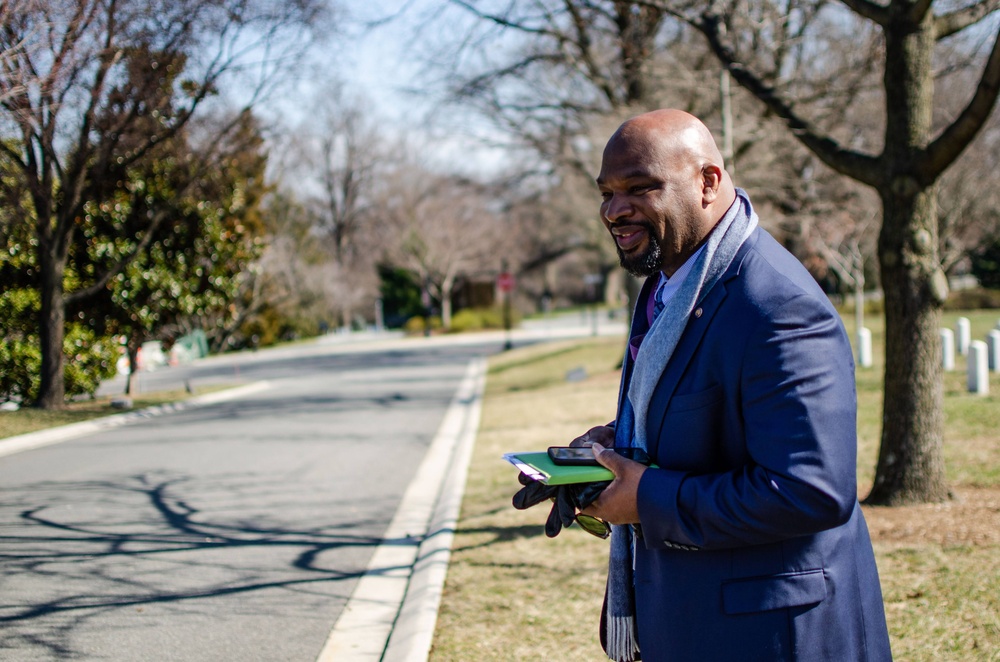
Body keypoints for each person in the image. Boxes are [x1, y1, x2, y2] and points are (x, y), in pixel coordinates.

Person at [572, 109, 892, 661]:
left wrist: (646, 496)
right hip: (688, 618)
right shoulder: (669, 286)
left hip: (771, 636)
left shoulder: (777, 306)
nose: (615, 210)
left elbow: (811, 491)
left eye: (640, 188)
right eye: (607, 192)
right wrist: (607, 452)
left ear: (708, 182)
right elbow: (689, 424)